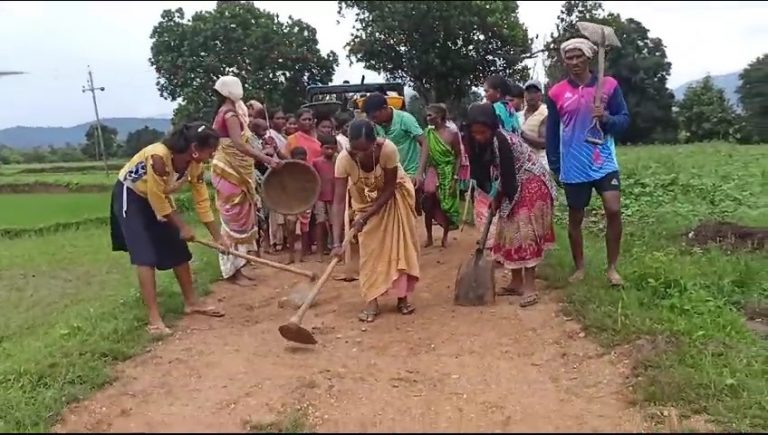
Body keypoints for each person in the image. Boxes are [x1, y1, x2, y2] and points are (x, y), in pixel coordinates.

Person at [110, 122, 229, 336]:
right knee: (145, 255)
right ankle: (154, 320)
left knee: (178, 248)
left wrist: (218, 237)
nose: (212, 155)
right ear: (195, 148)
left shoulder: (195, 165)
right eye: (210, 150)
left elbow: (202, 201)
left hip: (158, 197)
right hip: (132, 195)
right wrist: (182, 226)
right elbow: (156, 198)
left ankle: (192, 302)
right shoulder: (159, 157)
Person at [546, 38, 630, 286]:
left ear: (589, 57)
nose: (574, 62)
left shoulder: (609, 86)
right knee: (575, 217)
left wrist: (606, 118)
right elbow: (552, 133)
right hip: (573, 164)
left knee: (613, 209)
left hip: (603, 160)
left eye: (578, 57)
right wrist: (555, 166)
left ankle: (612, 268)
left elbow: (624, 120)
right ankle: (579, 267)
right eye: (569, 58)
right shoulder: (556, 93)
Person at [465, 103, 557, 308]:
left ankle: (529, 286)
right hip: (514, 180)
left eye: (483, 132)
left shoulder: (502, 141)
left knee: (524, 231)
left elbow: (509, 181)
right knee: (508, 229)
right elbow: (503, 176)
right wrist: (497, 198)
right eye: (475, 133)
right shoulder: (479, 143)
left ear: (492, 128)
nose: (479, 137)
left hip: (533, 181)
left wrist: (499, 199)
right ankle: (516, 282)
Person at [331, 119, 420, 323]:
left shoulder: (388, 150)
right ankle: (372, 300)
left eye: (365, 149)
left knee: (399, 248)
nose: (360, 154)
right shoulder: (343, 159)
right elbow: (338, 201)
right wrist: (336, 242)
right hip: (363, 204)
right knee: (369, 253)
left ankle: (402, 298)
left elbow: (389, 189)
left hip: (393, 199)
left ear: (375, 143)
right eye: (356, 150)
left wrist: (366, 217)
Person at [210, 75, 282, 283]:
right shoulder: (230, 114)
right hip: (230, 170)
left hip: (234, 169)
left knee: (239, 217)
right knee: (233, 218)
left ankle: (238, 267)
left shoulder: (228, 111)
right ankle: (232, 271)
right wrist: (266, 159)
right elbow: (239, 145)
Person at [362, 92, 429, 191]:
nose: (373, 121)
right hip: (391, 175)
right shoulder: (375, 125)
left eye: (375, 117)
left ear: (384, 108)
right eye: (371, 118)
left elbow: (425, 142)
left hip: (410, 174)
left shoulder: (405, 119)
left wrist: (419, 173)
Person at [423, 104, 461, 247]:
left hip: (448, 171)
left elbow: (458, 156)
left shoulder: (452, 133)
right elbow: (424, 154)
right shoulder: (428, 133)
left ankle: (445, 236)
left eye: (430, 115)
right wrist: (420, 173)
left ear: (439, 116)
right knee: (428, 200)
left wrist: (455, 177)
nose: (427, 118)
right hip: (433, 169)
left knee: (446, 205)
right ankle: (429, 236)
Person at [284, 146, 312, 264]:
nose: (301, 161)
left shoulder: (309, 170)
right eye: (298, 159)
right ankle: (291, 254)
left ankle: (302, 255)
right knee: (290, 228)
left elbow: (312, 185)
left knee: (304, 229)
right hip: (291, 202)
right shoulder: (288, 170)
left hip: (305, 202)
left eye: (303, 159)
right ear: (292, 158)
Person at [312, 134, 338, 261]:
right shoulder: (316, 162)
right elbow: (312, 179)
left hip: (335, 197)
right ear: (321, 148)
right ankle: (320, 252)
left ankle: (335, 248)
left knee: (335, 224)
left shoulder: (338, 162)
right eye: (327, 148)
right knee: (320, 222)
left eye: (332, 148)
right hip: (320, 197)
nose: (330, 151)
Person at [521, 80, 549, 169]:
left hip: (539, 164)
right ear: (524, 94)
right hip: (522, 163)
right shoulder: (520, 114)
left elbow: (544, 143)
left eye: (535, 92)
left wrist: (522, 135)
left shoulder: (545, 113)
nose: (531, 95)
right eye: (529, 92)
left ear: (541, 94)